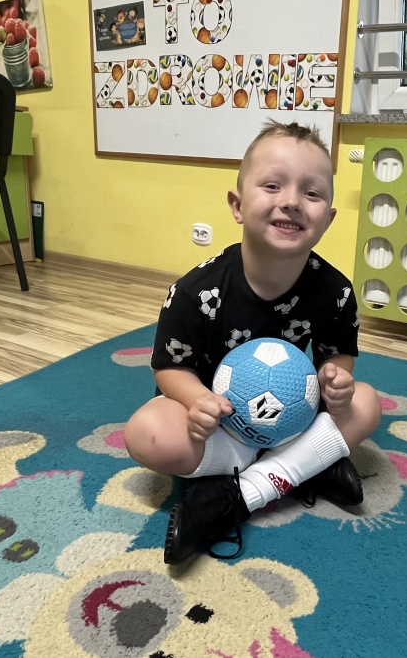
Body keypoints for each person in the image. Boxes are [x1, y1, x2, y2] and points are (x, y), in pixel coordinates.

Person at [124, 120, 381, 565]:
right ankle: (306, 467)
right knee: (145, 433)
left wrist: (337, 381)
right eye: (273, 185)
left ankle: (236, 495)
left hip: (292, 418)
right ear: (238, 205)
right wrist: (198, 401)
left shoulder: (335, 291)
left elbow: (338, 357)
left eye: (312, 192)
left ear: (328, 220)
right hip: (213, 423)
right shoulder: (195, 292)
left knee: (366, 403)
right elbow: (169, 367)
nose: (292, 201)